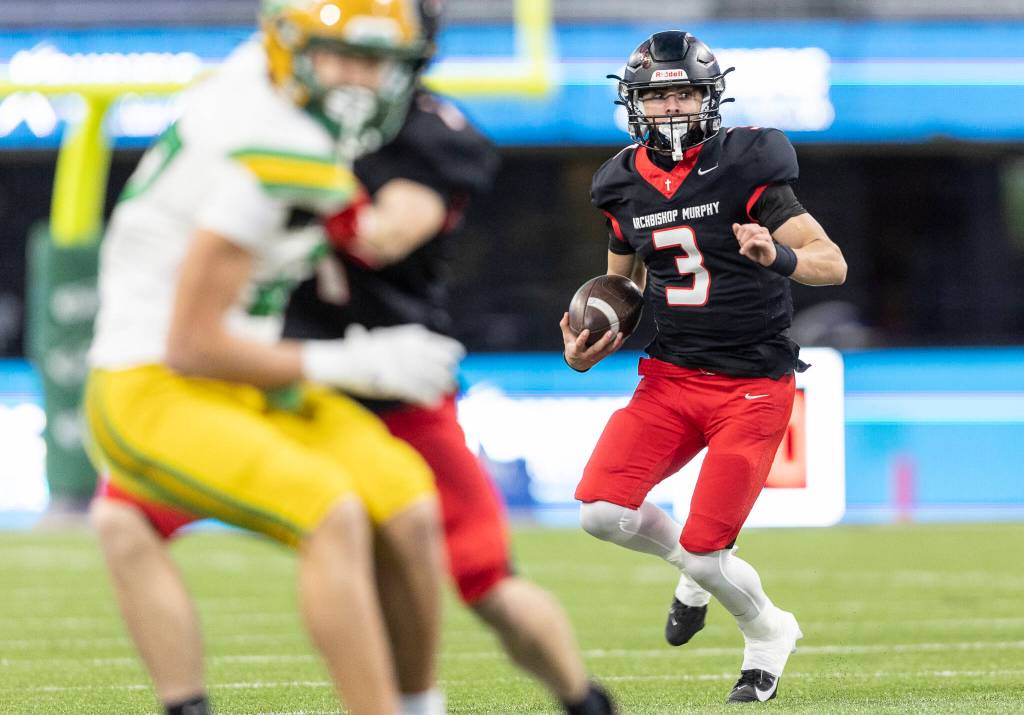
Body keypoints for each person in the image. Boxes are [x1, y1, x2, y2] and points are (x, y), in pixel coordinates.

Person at [84, 2, 462, 714]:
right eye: (342, 58)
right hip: (155, 379)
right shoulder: (270, 144)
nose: (358, 82)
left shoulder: (276, 92)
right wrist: (357, 361)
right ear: (291, 51)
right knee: (331, 510)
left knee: (410, 503)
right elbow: (190, 346)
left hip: (244, 373)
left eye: (376, 63)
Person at [560, 31, 847, 704]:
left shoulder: (748, 162)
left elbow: (831, 263)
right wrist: (588, 343)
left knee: (704, 548)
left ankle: (768, 631)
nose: (672, 108)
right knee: (600, 513)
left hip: (752, 383)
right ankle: (695, 568)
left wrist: (776, 256)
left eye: (684, 91)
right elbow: (619, 286)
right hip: (670, 376)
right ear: (634, 104)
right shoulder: (621, 181)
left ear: (710, 97)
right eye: (657, 96)